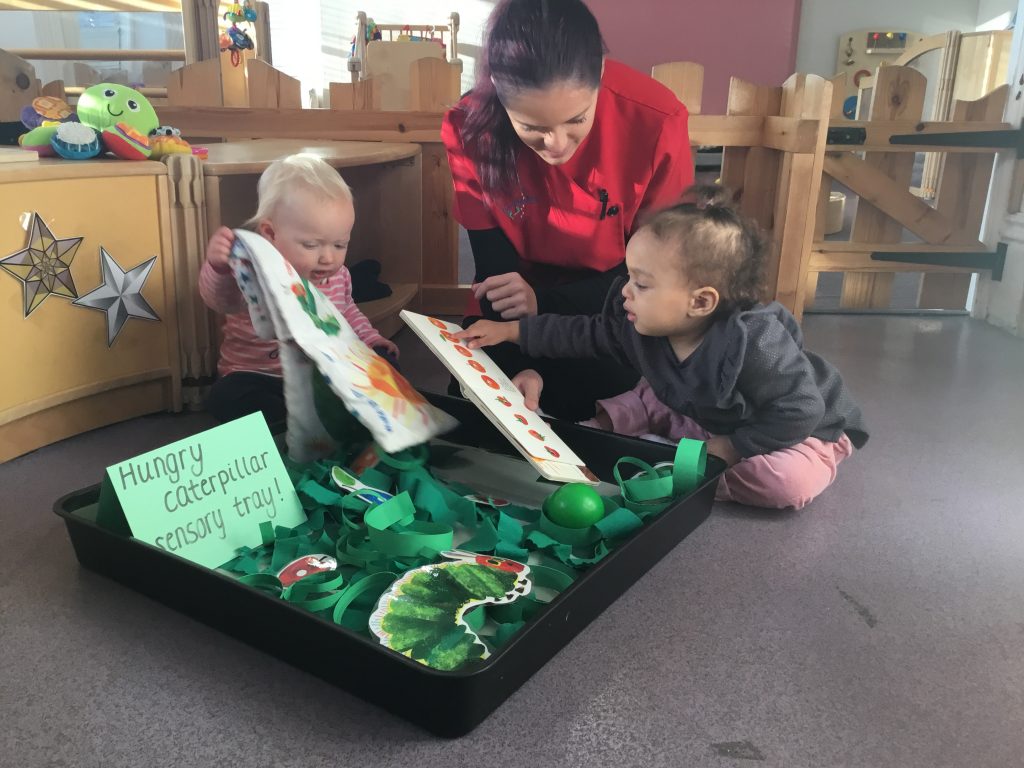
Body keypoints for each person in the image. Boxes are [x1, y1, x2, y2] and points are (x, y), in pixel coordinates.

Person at [456, 187, 869, 510]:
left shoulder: (756, 342)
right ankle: (599, 438)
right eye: (629, 277)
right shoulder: (642, 322)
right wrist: (511, 331)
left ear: (700, 302)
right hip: (706, 411)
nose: (626, 292)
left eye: (641, 283)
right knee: (641, 398)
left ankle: (679, 469)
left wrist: (731, 448)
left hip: (800, 430)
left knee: (785, 483)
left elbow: (801, 409)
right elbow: (580, 333)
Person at [442, 0, 694, 421]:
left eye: (576, 120)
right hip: (514, 299)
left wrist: (544, 303)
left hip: (613, 301)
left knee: (604, 390)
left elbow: (655, 274)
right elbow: (494, 273)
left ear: (599, 73)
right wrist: (520, 359)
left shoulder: (657, 119)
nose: (556, 145)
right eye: (532, 127)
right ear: (499, 93)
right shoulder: (469, 124)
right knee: (472, 397)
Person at [199, 154, 399, 427]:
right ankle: (288, 424)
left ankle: (328, 416)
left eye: (339, 245)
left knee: (386, 366)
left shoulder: (338, 274)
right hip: (259, 375)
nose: (328, 258)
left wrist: (371, 341)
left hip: (321, 374)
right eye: (311, 245)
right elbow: (220, 300)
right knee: (225, 397)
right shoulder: (252, 268)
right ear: (270, 233)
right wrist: (219, 268)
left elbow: (348, 313)